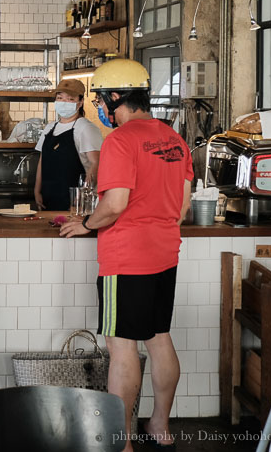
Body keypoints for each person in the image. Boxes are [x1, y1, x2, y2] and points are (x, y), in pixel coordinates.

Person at [59, 59, 191, 452]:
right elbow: (182, 209)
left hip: (127, 257)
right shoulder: (173, 139)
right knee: (160, 338)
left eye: (101, 98)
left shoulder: (120, 140)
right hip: (165, 253)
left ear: (116, 97)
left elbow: (115, 204)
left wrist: (86, 223)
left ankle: (122, 440)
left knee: (122, 347)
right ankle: (161, 426)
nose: (99, 105)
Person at [34, 78, 104, 210]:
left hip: (74, 202)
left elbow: (96, 164)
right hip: (48, 198)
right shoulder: (50, 128)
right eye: (60, 98)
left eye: (70, 99)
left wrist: (83, 195)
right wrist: (37, 191)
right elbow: (42, 161)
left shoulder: (85, 128)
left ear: (80, 102)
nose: (64, 102)